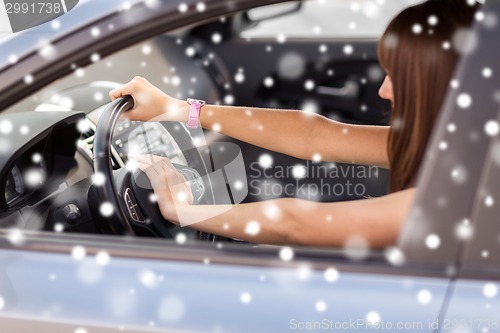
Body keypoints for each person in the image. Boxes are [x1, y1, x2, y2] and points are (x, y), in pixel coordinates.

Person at [109, 0, 478, 248]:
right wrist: (181, 109)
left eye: (398, 76)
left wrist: (184, 210)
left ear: (440, 86)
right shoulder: (455, 144)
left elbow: (296, 223)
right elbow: (317, 134)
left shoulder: (468, 190)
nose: (383, 90)